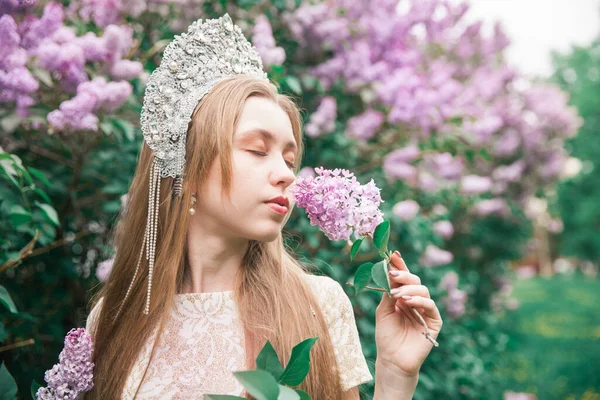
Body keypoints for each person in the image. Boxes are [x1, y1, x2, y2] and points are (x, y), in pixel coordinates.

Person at [84, 14, 443, 400]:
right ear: (187, 170)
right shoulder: (111, 320)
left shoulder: (315, 305)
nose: (286, 175)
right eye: (257, 150)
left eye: (290, 160)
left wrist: (394, 375)